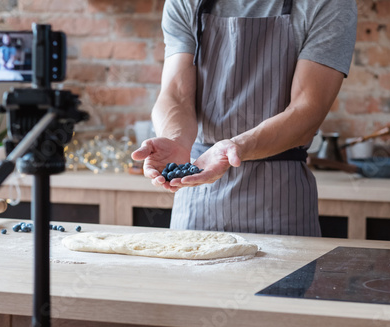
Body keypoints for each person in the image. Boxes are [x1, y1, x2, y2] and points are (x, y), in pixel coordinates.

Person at [132, 0, 357, 236]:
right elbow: (176, 94)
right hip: (196, 198)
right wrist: (175, 139)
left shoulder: (328, 4)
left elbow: (307, 110)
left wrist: (235, 148)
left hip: (281, 206)